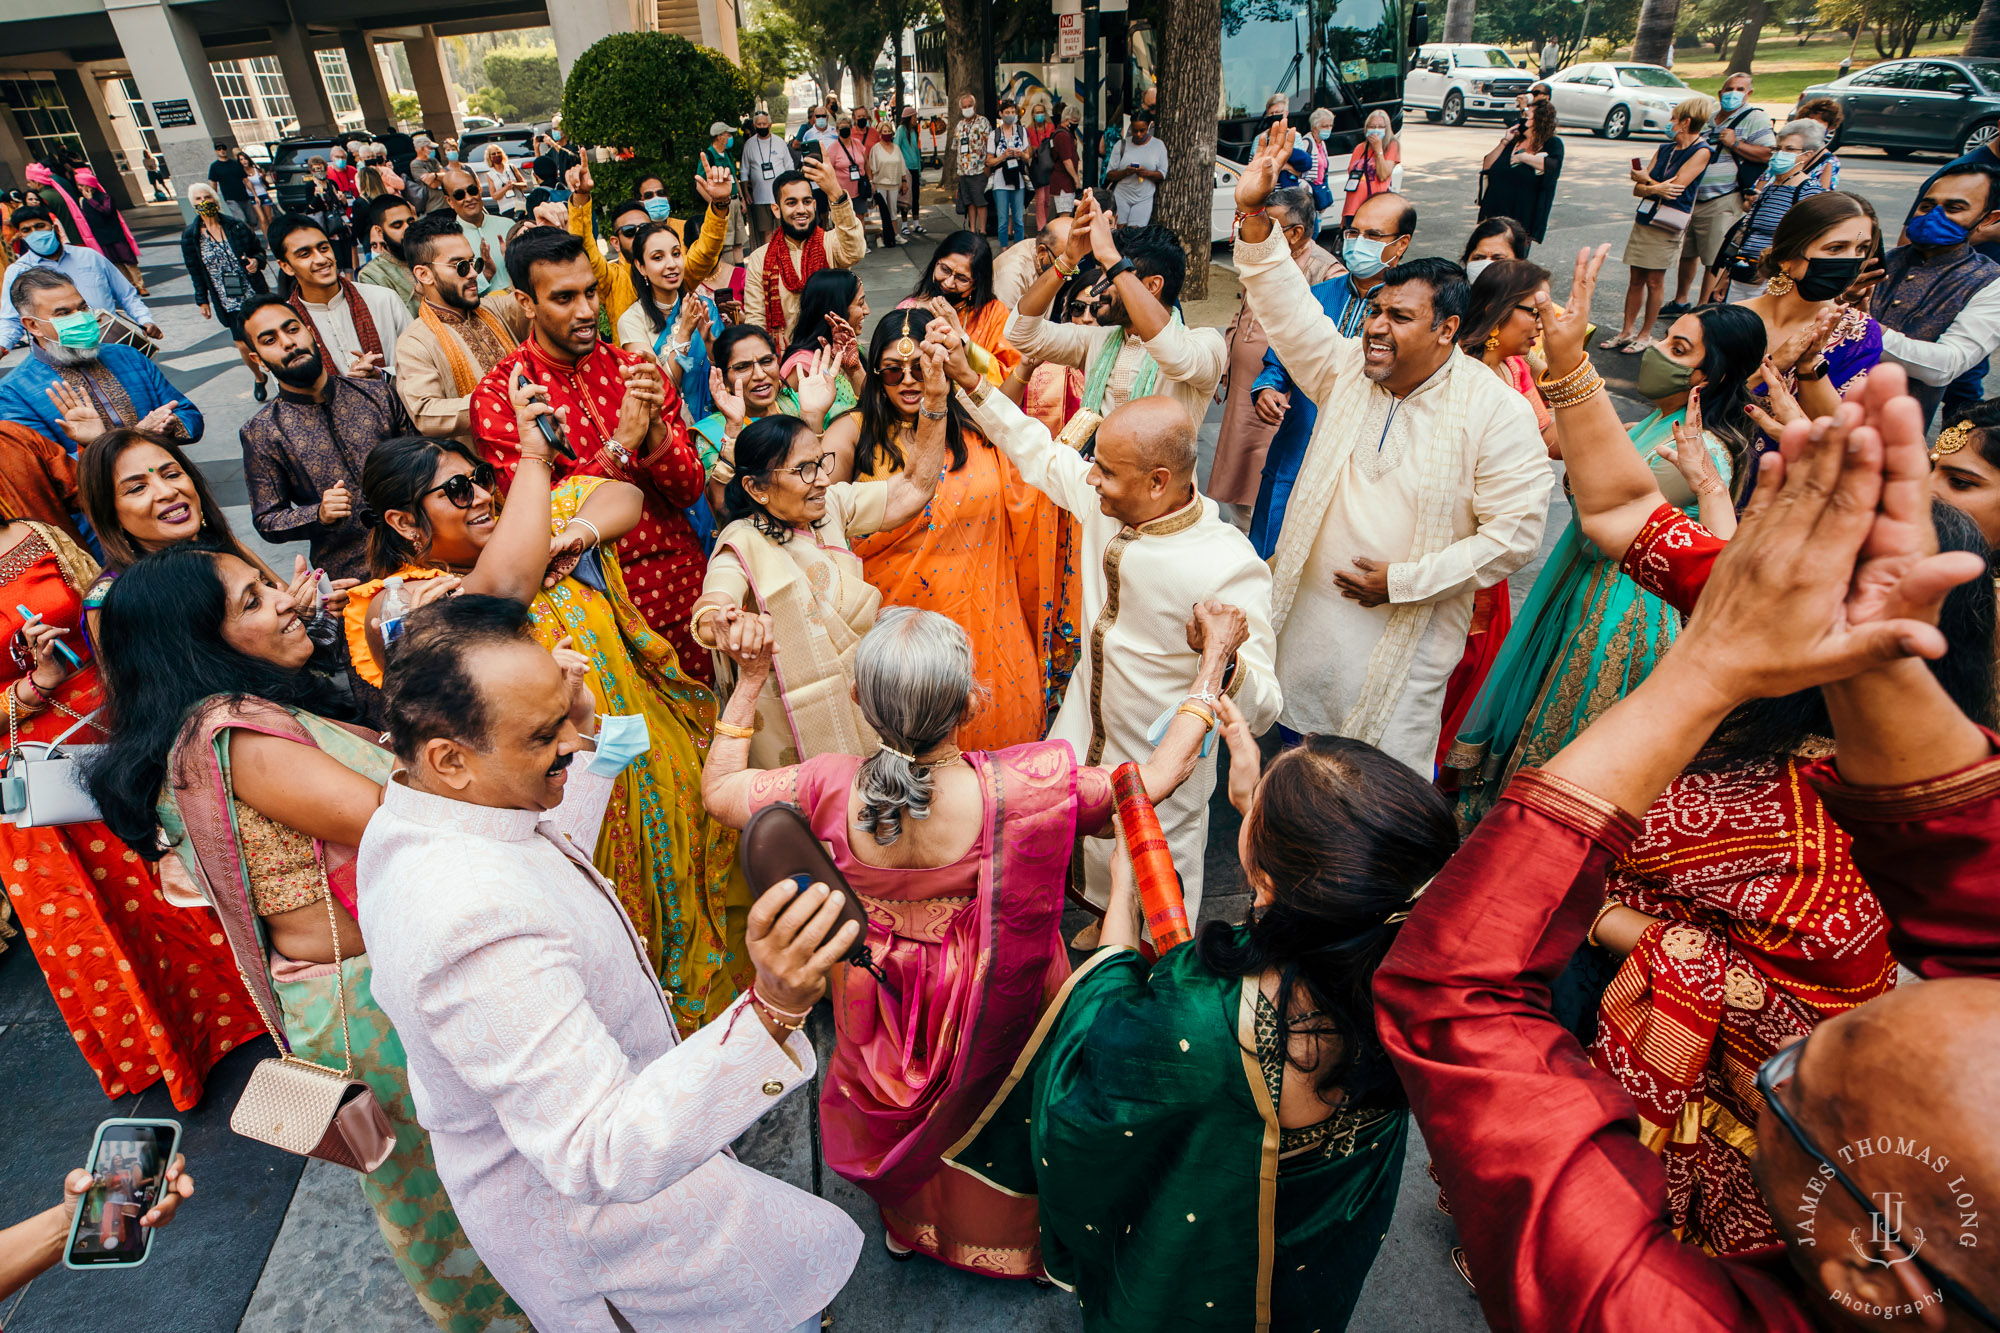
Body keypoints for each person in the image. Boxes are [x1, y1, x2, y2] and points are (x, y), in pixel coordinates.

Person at [1375, 356, 2000, 1332]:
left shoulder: (1656, 1309)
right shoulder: (1801, 613)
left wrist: (1702, 676)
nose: (1785, 1069)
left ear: (1878, 1267)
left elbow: (1451, 999)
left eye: (1798, 1087)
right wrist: (1573, 363)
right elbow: (1622, 515)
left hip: (1655, 1043)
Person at [358, 588, 861, 1333]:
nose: (568, 740)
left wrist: (586, 733)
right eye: (542, 734)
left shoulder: (428, 813)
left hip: (631, 1180)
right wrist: (775, 1004)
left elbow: (540, 857)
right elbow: (601, 1150)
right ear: (449, 758)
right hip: (607, 1235)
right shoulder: (471, 924)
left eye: (564, 711)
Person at [703, 603, 1223, 1277]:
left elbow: (720, 792)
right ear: (972, 702)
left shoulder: (825, 784)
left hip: (878, 989)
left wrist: (747, 684)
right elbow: (1149, 782)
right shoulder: (1023, 786)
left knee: (896, 1117)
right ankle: (1015, 1243)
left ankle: (908, 1227)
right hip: (992, 983)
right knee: (1005, 1105)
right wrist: (1211, 668)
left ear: (859, 699)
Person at [87, 538, 526, 1331]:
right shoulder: (240, 738)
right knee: (464, 1189)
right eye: (251, 601)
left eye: (265, 582)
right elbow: (408, 820)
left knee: (459, 1178)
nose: (286, 599)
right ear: (195, 642)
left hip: (354, 995)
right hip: (370, 1008)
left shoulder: (225, 723)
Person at [951, 698, 1446, 1329]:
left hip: (1198, 1278)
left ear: (1265, 879)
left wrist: (1121, 902)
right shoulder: (1421, 978)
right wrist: (1258, 814)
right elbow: (1331, 909)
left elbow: (1085, 1106)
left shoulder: (1206, 1020)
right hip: (1318, 1255)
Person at [1587, 496, 1992, 1257]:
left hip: (1689, 1041)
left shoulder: (1749, 786)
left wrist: (1599, 915)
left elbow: (1579, 852)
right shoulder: (1954, 795)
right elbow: (1623, 512)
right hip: (1814, 1112)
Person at [352, 416, 743, 1029]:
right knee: (611, 942)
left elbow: (624, 495)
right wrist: (533, 460)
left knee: (693, 895)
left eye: (482, 478)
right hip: (561, 804)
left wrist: (578, 534)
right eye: (456, 491)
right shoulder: (402, 605)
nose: (481, 495)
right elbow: (504, 590)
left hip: (633, 751)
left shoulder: (537, 530)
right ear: (405, 523)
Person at [1234, 123, 1551, 776]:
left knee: (1362, 809)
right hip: (1303, 636)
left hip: (1400, 652)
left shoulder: (1496, 410)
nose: (1377, 326)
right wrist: (1253, 218)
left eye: (1399, 317)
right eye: (1376, 310)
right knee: (1287, 783)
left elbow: (1515, 535)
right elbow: (1289, 309)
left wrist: (1404, 582)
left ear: (1447, 329)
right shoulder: (1347, 367)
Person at [939, 327, 1280, 925]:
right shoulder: (1111, 501)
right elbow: (1043, 456)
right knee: (1084, 861)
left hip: (1162, 764)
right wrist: (975, 386)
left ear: (1158, 482)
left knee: (1154, 889)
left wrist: (1223, 662)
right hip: (1082, 730)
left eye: (1108, 474)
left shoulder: (1227, 566)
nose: (1090, 481)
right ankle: (1102, 928)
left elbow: (1265, 707)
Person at [1450, 300, 1760, 823]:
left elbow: (1606, 528)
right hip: (1587, 585)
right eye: (1665, 338)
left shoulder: (1700, 447)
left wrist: (1578, 470)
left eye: (1678, 349)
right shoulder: (1658, 423)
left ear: (1712, 374)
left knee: (1563, 726)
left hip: (1618, 604)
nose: (1657, 352)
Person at [822, 308, 1080, 751]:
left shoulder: (978, 430)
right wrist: (811, 418)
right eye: (891, 370)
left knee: (995, 776)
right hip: (896, 634)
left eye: (920, 367)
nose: (908, 380)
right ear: (874, 372)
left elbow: (1035, 489)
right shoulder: (854, 433)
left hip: (989, 627)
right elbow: (808, 503)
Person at [469, 226, 717, 683]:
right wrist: (621, 444)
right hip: (589, 603)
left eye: (590, 293)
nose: (586, 312)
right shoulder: (503, 398)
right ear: (527, 303)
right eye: (564, 298)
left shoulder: (633, 369)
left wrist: (656, 431)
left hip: (681, 582)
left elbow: (688, 490)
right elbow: (536, 523)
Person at [689, 344, 950, 769]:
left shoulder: (830, 508)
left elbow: (913, 489)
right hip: (790, 731)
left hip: (867, 702)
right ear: (757, 489)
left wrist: (935, 403)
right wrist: (723, 622)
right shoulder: (742, 540)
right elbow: (714, 603)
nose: (824, 480)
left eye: (821, 463)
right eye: (805, 470)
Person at [1247, 191, 1420, 558]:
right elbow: (1282, 354)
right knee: (1268, 539)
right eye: (1353, 233)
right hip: (1298, 437)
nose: (1358, 244)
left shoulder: (1408, 310)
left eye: (1374, 236)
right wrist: (1268, 387)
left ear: (1401, 244)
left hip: (1358, 451)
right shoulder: (1318, 294)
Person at [1004, 197, 1225, 433]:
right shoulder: (1096, 340)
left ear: (1152, 286)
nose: (1099, 287)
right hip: (1093, 469)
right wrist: (1067, 260)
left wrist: (1110, 256)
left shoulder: (1206, 344)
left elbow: (1175, 357)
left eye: (1111, 276)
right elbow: (1020, 333)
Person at [235, 293, 411, 587]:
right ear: (258, 360)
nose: (288, 342)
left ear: (310, 333)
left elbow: (423, 464)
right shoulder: (263, 431)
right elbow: (267, 519)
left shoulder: (377, 395)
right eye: (269, 340)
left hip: (420, 552)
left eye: (292, 330)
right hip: (350, 578)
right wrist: (318, 513)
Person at [1208, 187, 1335, 526]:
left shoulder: (1326, 272)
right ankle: (1240, 527)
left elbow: (1320, 342)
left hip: (1281, 391)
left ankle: (1261, 537)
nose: (1258, 231)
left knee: (1267, 467)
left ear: (1295, 233)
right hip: (1243, 386)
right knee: (1237, 462)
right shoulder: (1265, 257)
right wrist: (1228, 362)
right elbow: (1243, 310)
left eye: (1270, 225)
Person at [0, 269, 196, 451]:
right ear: (33, 325)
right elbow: (45, 469)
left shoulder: (128, 356)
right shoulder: (14, 392)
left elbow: (190, 416)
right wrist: (137, 435)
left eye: (83, 307)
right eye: (64, 313)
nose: (82, 318)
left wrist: (168, 425)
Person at [1873, 164, 2000, 427]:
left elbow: (1945, 365)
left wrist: (1868, 330)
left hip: (1896, 432)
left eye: (1954, 209)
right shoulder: (1877, 262)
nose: (1933, 217)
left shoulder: (1989, 282)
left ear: (1987, 219)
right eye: (1927, 206)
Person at [1742, 192, 1883, 428]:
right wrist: (1772, 366)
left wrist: (1809, 366)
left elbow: (1840, 429)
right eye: (1836, 248)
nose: (1851, 261)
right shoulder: (1726, 320)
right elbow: (1687, 405)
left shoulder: (1858, 331)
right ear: (1787, 257)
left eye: (1861, 249)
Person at [392, 211, 527, 444]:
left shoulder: (494, 308)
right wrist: (501, 400)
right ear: (424, 274)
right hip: (485, 469)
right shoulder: (415, 343)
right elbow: (425, 413)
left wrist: (543, 240)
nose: (474, 273)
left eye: (474, 262)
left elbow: (538, 301)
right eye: (460, 266)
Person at [1601, 96, 1714, 353]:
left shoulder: (1702, 151)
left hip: (1668, 223)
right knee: (1635, 278)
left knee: (1655, 280)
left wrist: (1648, 183)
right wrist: (1653, 185)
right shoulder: (1664, 150)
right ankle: (1626, 331)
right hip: (1646, 217)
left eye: (1674, 119)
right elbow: (1639, 189)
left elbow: (1675, 189)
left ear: (1686, 122)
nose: (1670, 123)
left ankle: (1645, 334)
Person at [566, 158, 729, 330]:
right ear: (615, 242)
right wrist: (581, 196)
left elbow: (706, 251)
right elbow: (583, 250)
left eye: (644, 228)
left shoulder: (676, 271)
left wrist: (720, 203)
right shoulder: (612, 280)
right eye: (629, 231)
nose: (639, 236)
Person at [1666, 71, 1773, 317]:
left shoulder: (1754, 118)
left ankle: (1704, 308)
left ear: (1749, 93)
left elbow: (1768, 153)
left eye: (1740, 89)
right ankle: (1681, 300)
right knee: (1688, 252)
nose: (1733, 94)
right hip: (1694, 197)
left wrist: (1736, 144)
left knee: (1714, 258)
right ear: (1720, 92)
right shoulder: (1710, 119)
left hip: (1723, 197)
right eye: (1729, 88)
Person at [0, 205, 159, 361]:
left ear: (54, 228)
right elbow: (11, 319)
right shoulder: (18, 272)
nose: (35, 233)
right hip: (60, 354)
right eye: (26, 230)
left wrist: (145, 320)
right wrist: (2, 345)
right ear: (21, 236)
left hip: (109, 341)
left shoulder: (89, 256)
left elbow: (127, 295)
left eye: (40, 226)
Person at [270, 212, 411, 377]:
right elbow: (289, 390)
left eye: (324, 248)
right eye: (305, 254)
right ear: (286, 266)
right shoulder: (285, 325)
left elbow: (422, 364)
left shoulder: (383, 299)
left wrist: (381, 375)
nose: (321, 259)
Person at [745, 158, 867, 345]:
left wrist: (835, 192)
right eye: (792, 203)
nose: (801, 210)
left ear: (815, 205)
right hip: (784, 361)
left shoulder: (832, 243)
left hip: (835, 354)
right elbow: (756, 321)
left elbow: (855, 251)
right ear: (776, 210)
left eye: (807, 201)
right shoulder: (760, 259)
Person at [616, 216, 723, 427]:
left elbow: (726, 373)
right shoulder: (631, 321)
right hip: (670, 430)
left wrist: (711, 347)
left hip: (717, 422)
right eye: (658, 258)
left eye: (676, 254)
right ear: (641, 267)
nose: (672, 264)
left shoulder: (703, 307)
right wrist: (684, 332)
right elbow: (658, 388)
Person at [1722, 119, 1831, 302]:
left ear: (1806, 155)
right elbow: (1747, 232)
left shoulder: (1808, 192)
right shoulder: (1770, 187)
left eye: (1789, 149)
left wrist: (1780, 281)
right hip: (1743, 273)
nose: (1780, 154)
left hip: (1773, 280)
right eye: (1777, 148)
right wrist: (1726, 277)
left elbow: (1808, 241)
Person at [179, 183, 271, 401]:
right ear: (193, 205)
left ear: (216, 200)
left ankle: (278, 372)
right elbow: (195, 270)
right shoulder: (191, 236)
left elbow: (258, 251)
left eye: (207, 198)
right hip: (225, 297)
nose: (204, 203)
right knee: (241, 342)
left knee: (264, 334)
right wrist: (202, 300)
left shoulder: (236, 226)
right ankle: (259, 377)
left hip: (251, 290)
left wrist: (256, 262)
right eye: (199, 200)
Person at [905, 229, 1019, 383]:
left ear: (976, 284)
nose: (948, 283)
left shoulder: (994, 313)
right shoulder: (908, 309)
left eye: (962, 279)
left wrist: (961, 336)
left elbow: (1009, 376)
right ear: (935, 262)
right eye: (944, 270)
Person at [781, 269, 867, 426]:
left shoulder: (849, 348)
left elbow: (873, 406)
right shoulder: (802, 365)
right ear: (837, 308)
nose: (867, 310)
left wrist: (855, 371)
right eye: (860, 303)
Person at [1478, 93, 1561, 246]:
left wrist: (1522, 157)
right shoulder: (1513, 141)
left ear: (1539, 121)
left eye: (1526, 115)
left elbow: (1551, 166)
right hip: (1494, 212)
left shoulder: (1551, 143)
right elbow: (1487, 166)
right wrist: (1504, 141)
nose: (1522, 119)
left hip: (1521, 217)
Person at [434, 164, 515, 292]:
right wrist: (486, 274)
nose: (469, 198)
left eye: (472, 190)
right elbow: (454, 290)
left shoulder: (508, 225)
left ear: (479, 190)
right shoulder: (448, 241)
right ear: (449, 201)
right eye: (459, 195)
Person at [70, 168, 144, 294]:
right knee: (115, 262)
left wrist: (91, 200)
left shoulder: (105, 197)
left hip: (115, 233)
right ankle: (130, 286)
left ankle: (140, 285)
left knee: (128, 260)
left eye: (82, 185)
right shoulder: (82, 201)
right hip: (101, 236)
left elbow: (106, 211)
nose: (80, 188)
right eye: (79, 185)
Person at [991, 215, 1071, 314]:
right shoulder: (1011, 275)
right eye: (1063, 262)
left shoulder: (1048, 251)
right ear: (1042, 252)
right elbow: (1006, 325)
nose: (1069, 271)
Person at [355, 194, 420, 314]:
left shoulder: (429, 256)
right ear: (379, 232)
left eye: (411, 222)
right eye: (397, 226)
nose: (407, 229)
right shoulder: (372, 274)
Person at [1103, 111, 1168, 226]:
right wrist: (1125, 172)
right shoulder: (1121, 145)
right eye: (1135, 130)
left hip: (1143, 198)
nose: (1138, 134)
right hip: (1122, 195)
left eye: (1142, 130)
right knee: (1119, 231)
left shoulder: (1158, 146)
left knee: (1135, 234)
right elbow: (1109, 174)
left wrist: (1147, 173)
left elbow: (1162, 175)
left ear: (1148, 126)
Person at [741, 109, 788, 257]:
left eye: (764, 124)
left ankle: (784, 255)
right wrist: (746, 192)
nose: (762, 126)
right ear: (755, 126)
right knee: (766, 231)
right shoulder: (749, 145)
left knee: (783, 228)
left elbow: (789, 167)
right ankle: (770, 257)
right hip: (760, 196)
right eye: (759, 124)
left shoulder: (779, 143)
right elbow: (744, 171)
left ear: (770, 125)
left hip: (780, 196)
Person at [1342, 110, 1399, 228]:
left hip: (1374, 208)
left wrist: (1378, 150)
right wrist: (1344, 214)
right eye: (1372, 126)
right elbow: (1352, 181)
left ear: (1386, 128)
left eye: (1380, 127)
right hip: (1353, 208)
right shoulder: (1359, 148)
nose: (1376, 130)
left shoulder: (1392, 146)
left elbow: (1383, 175)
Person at [987, 99, 1030, 248]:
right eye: (1007, 112)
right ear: (1001, 114)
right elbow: (989, 161)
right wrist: (1003, 156)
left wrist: (1020, 154)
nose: (1010, 115)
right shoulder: (995, 134)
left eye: (1013, 112)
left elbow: (1027, 155)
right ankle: (1004, 247)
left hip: (1017, 177)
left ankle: (1018, 248)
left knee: (1018, 218)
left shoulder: (1021, 131)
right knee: (1003, 219)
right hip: (1000, 180)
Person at [954, 92, 992, 235]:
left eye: (970, 105)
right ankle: (972, 229)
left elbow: (990, 145)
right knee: (969, 201)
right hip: (964, 171)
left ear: (974, 106)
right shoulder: (959, 125)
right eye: (965, 106)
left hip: (979, 169)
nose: (967, 108)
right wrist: (958, 171)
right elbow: (956, 148)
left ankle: (982, 230)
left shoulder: (983, 122)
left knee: (980, 201)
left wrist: (988, 167)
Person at [867, 115, 905, 249]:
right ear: (880, 133)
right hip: (880, 183)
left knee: (893, 210)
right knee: (881, 211)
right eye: (884, 132)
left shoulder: (896, 148)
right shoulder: (876, 149)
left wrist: (904, 181)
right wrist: (872, 183)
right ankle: (881, 236)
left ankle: (895, 234)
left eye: (889, 132)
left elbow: (902, 167)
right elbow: (870, 167)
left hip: (894, 183)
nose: (887, 134)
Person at [896, 105, 927, 235]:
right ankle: (904, 224)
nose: (916, 119)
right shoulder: (902, 130)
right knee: (905, 197)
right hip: (905, 169)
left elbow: (916, 151)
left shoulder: (914, 131)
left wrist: (919, 170)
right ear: (909, 117)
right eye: (914, 117)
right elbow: (897, 147)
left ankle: (916, 223)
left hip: (914, 168)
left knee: (915, 197)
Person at [205, 143, 254, 226]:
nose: (222, 151)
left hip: (244, 196)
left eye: (223, 148)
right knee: (241, 220)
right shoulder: (215, 166)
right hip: (230, 198)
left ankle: (252, 236)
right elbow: (213, 184)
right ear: (216, 151)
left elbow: (246, 180)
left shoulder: (235, 163)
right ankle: (245, 238)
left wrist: (254, 194)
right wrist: (214, 198)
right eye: (219, 149)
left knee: (252, 220)